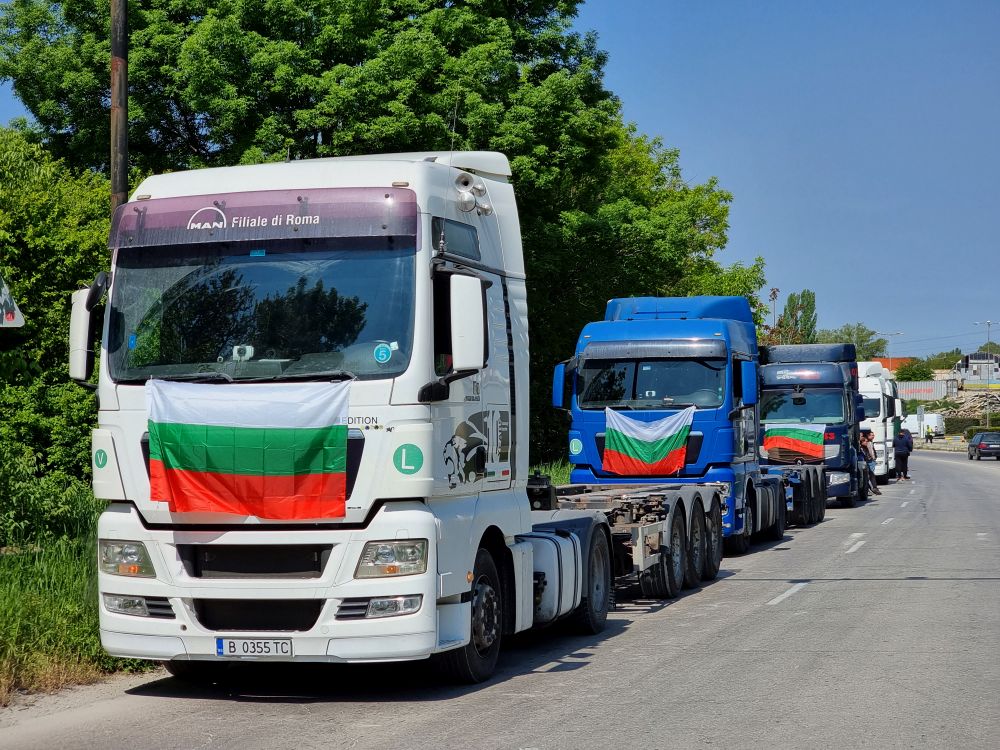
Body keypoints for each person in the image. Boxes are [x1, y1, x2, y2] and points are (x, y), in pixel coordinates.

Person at [860, 431, 882, 495]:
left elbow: (871, 452)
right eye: (865, 441)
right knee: (868, 476)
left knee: (871, 475)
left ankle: (872, 488)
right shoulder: (861, 448)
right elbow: (869, 453)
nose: (866, 442)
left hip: (869, 462)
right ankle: (871, 488)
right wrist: (872, 458)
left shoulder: (866, 447)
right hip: (867, 463)